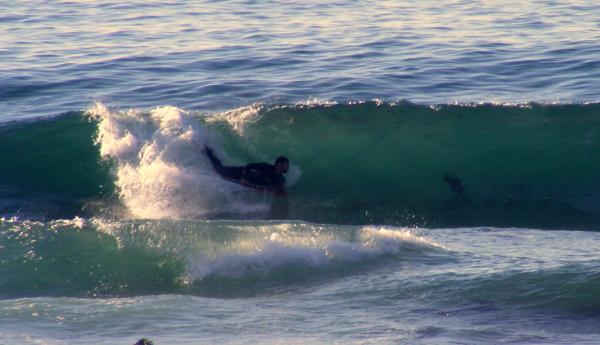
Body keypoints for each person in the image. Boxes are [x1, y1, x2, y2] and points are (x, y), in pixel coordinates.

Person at [203, 146, 289, 196]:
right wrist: (244, 178)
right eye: (286, 164)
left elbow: (274, 188)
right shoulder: (266, 167)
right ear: (279, 164)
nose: (287, 167)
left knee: (222, 177)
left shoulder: (281, 179)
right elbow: (249, 166)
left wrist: (256, 188)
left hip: (248, 183)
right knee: (220, 170)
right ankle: (208, 152)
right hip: (241, 172)